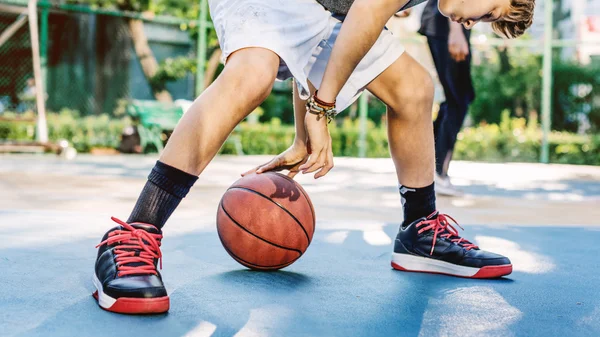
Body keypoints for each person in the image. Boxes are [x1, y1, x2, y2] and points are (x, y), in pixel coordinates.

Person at [92, 0, 536, 314]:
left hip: (322, 10)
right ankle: (134, 234)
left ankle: (420, 230)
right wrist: (320, 109)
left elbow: (325, 35)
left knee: (413, 89)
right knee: (252, 76)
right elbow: (365, 12)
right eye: (491, 13)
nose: (476, 23)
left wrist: (305, 132)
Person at [420, 0, 475, 196]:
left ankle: (431, 168)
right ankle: (435, 171)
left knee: (458, 98)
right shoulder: (456, 21)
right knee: (458, 98)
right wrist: (456, 30)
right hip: (445, 25)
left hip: (445, 23)